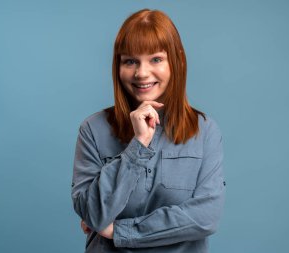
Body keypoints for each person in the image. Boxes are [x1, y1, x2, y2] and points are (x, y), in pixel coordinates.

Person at [71, 8, 225, 252]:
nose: (141, 73)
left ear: (177, 61)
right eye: (130, 61)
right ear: (118, 66)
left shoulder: (204, 131)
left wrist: (120, 231)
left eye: (156, 59)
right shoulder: (92, 130)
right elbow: (95, 214)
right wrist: (138, 144)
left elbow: (205, 216)